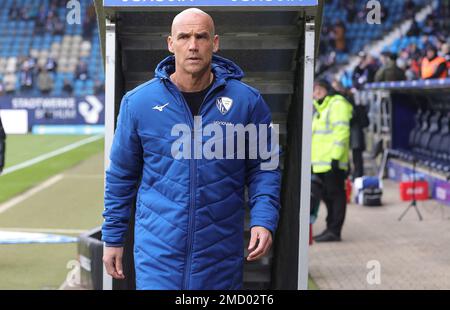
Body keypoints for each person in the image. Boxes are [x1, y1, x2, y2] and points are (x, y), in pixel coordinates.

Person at [101, 8, 281, 290]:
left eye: (201, 36)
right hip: (157, 258)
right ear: (170, 44)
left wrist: (263, 219)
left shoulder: (249, 102)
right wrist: (112, 237)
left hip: (220, 258)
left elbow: (265, 168)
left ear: (216, 43)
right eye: (184, 37)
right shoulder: (137, 103)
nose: (193, 45)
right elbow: (121, 176)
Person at [311, 79, 352, 242]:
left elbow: (341, 132)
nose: (316, 94)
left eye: (319, 90)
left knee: (336, 196)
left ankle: (334, 231)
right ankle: (330, 228)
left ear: (326, 90)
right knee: (328, 196)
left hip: (332, 162)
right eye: (314, 91)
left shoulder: (337, 104)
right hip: (321, 163)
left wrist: (335, 157)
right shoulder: (321, 107)